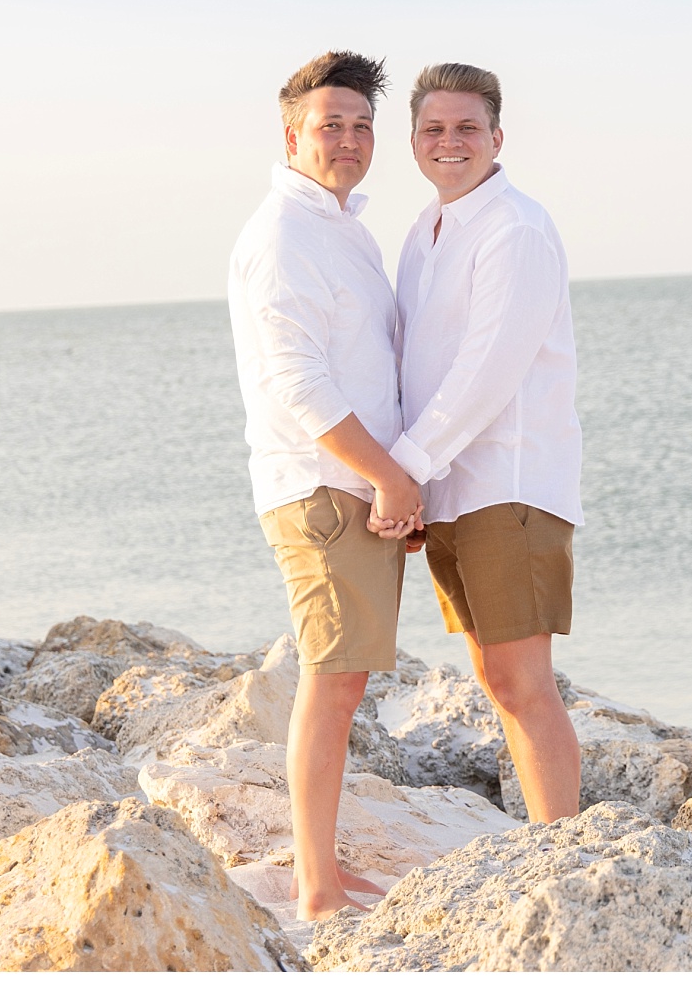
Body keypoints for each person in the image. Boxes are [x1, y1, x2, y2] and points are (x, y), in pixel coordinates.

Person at [227, 50, 423, 920]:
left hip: (359, 488)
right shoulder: (282, 236)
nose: (347, 138)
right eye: (329, 124)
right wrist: (389, 477)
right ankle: (315, 887)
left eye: (360, 124)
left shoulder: (346, 230)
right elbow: (301, 386)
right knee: (332, 678)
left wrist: (398, 480)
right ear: (292, 134)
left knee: (343, 681)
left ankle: (325, 869)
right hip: (321, 487)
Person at [381, 61, 584, 823]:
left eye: (467, 127)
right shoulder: (425, 231)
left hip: (510, 483)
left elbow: (487, 369)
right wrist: (416, 485)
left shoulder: (516, 228)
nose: (450, 141)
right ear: (414, 141)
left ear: (497, 136)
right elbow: (413, 362)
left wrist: (402, 469)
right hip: (450, 489)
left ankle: (561, 842)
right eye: (434, 128)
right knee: (496, 679)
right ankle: (546, 834)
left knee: (525, 681)